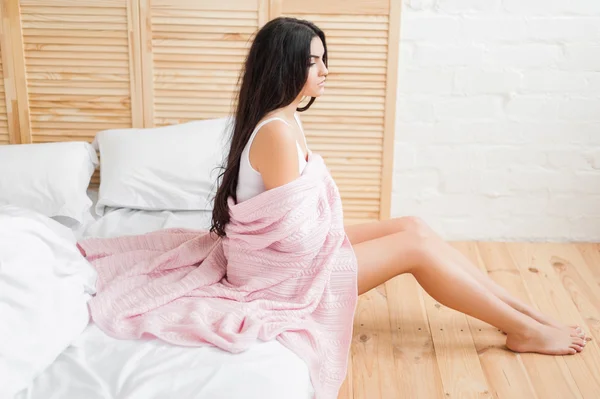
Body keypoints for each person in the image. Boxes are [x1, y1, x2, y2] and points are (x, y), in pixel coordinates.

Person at [210, 16, 586, 356]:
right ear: (283, 65)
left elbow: (301, 227)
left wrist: (334, 229)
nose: (325, 70)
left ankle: (527, 315)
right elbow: (297, 242)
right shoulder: (276, 132)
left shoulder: (287, 119)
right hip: (282, 278)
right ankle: (523, 330)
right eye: (312, 62)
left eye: (324, 58)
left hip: (296, 257)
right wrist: (337, 233)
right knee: (413, 247)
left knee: (413, 226)